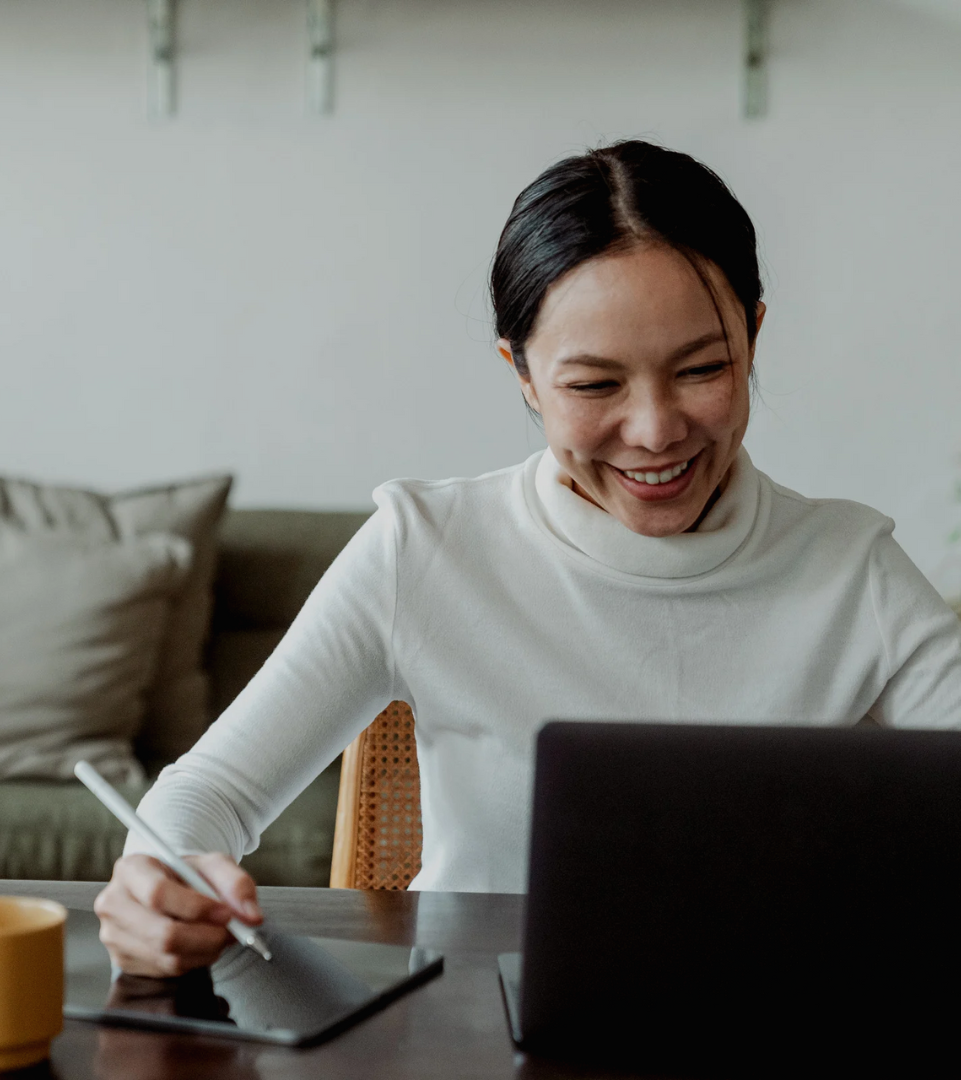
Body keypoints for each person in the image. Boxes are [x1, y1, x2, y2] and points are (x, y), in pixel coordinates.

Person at [94, 140, 961, 976]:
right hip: (463, 1036)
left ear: (754, 338)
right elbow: (209, 793)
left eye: (703, 368)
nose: (656, 430)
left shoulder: (852, 569)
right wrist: (159, 883)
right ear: (522, 375)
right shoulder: (425, 550)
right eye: (594, 385)